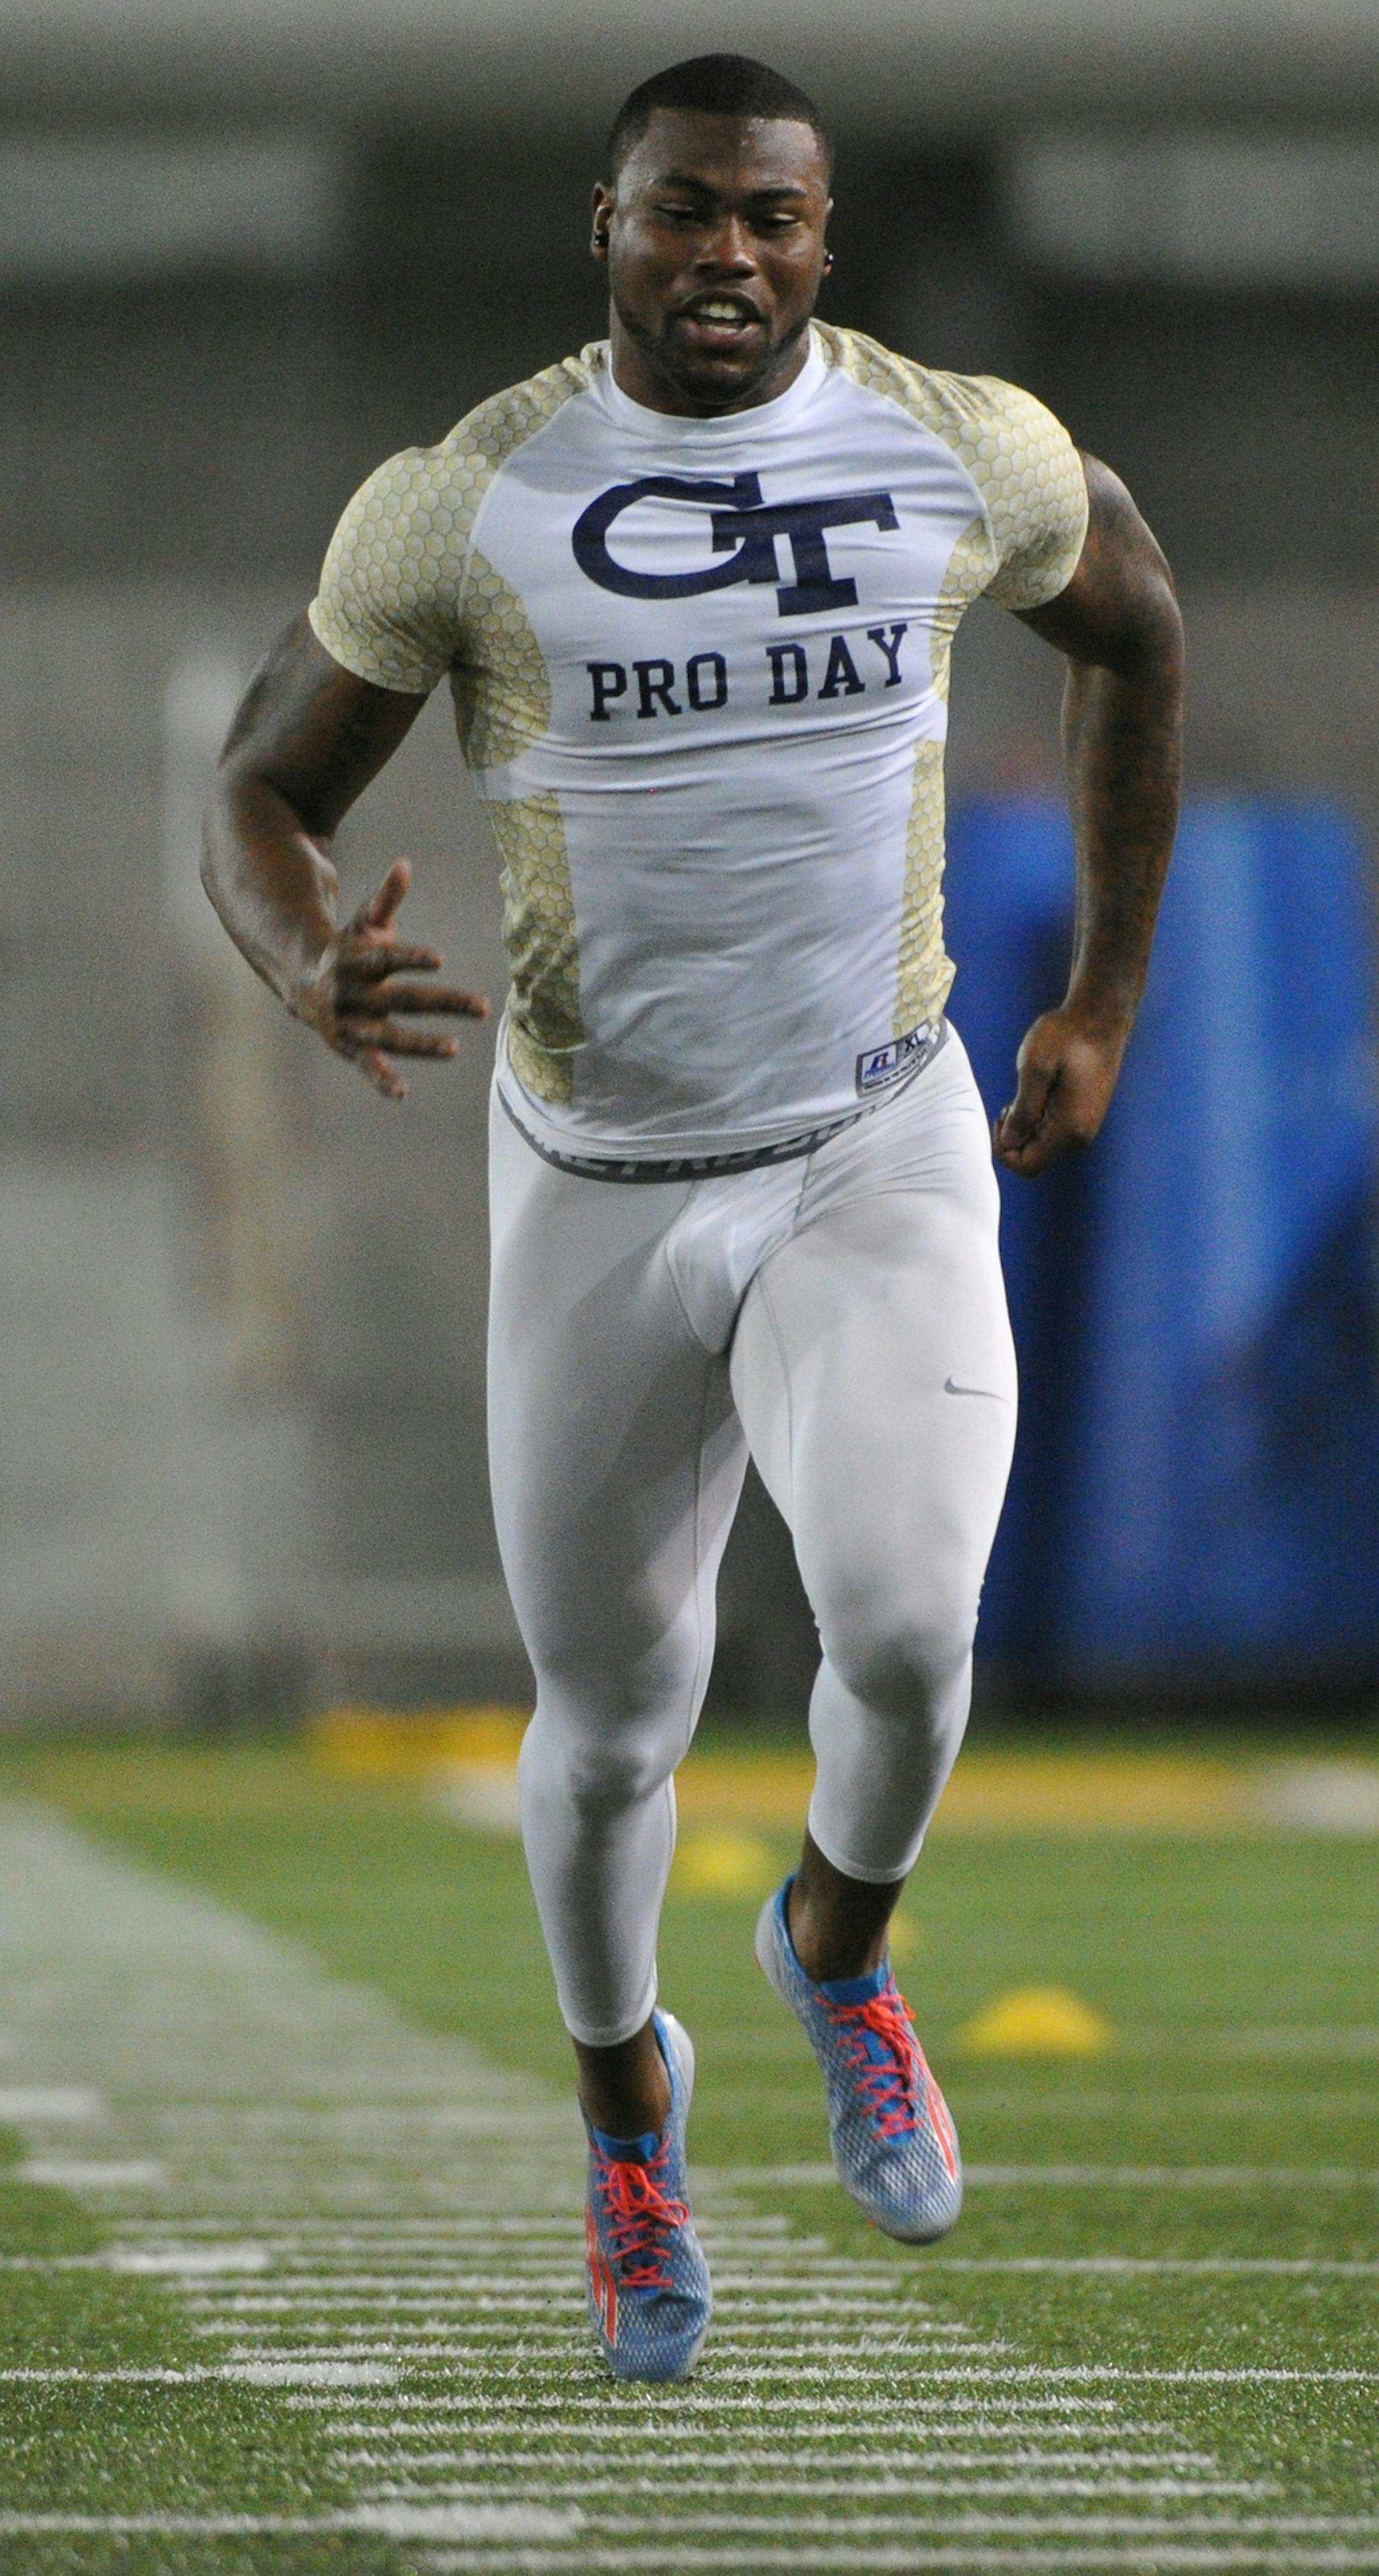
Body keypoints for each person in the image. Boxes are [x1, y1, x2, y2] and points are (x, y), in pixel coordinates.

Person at [202, 53, 1183, 2384]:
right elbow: (260, 784)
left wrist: (1106, 1002)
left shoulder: (960, 443)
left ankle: (838, 1946)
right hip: (599, 1181)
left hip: (873, 1138)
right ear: (608, 226)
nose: (724, 257)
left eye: (769, 219)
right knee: (617, 1718)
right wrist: (302, 950)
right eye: (681, 216)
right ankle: (629, 2109)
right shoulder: (472, 500)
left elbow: (1135, 631)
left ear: (821, 240)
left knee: (915, 1635)